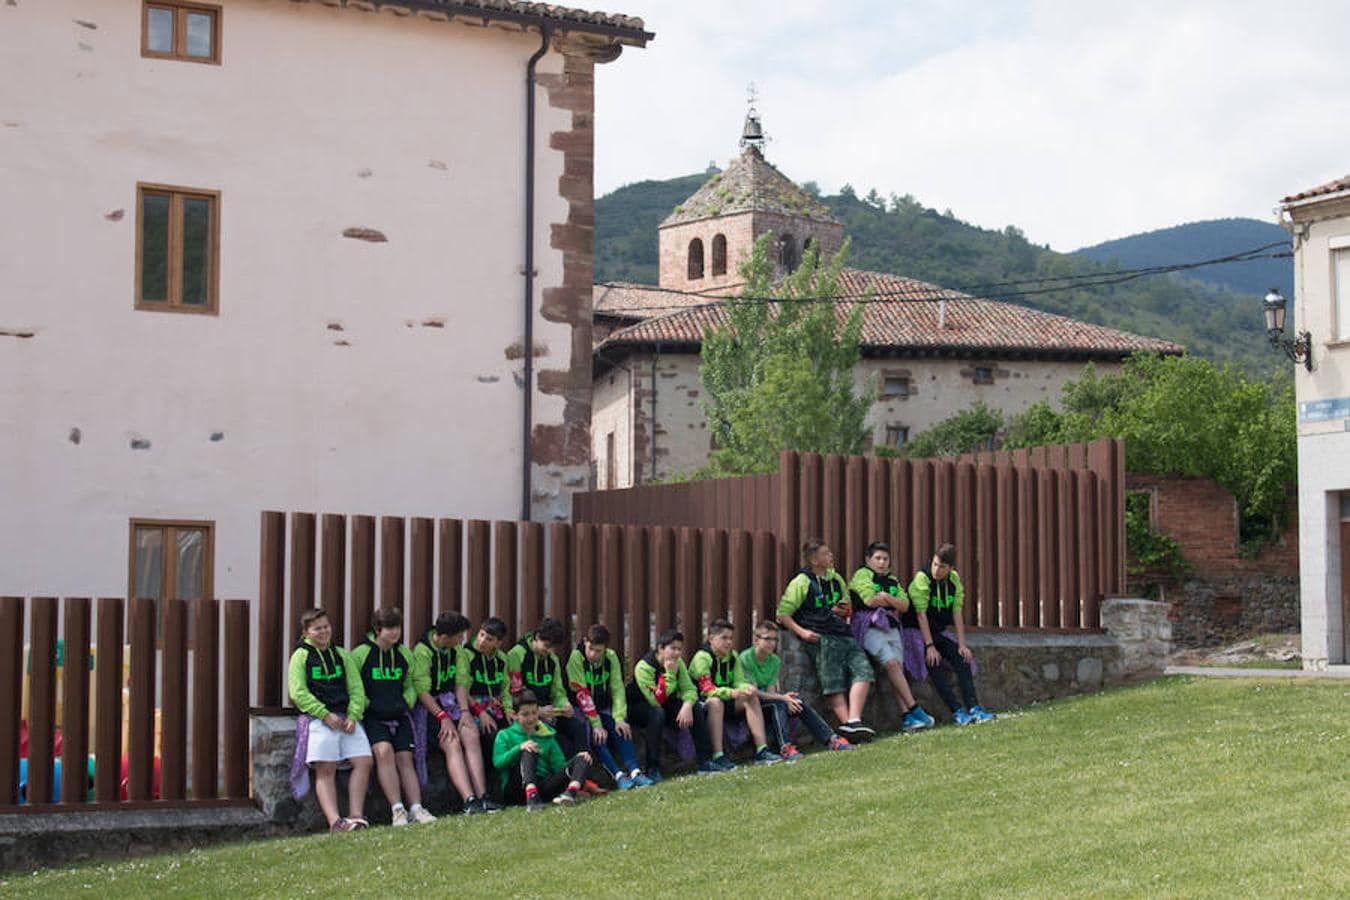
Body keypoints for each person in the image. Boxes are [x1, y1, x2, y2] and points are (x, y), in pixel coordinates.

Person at [777, 538, 876, 740]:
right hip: (820, 636)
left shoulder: (836, 579)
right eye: (825, 553)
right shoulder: (802, 582)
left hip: (843, 633)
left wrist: (842, 610)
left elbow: (847, 606)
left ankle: (854, 721)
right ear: (814, 559)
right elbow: (783, 613)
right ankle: (847, 722)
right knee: (832, 680)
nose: (831, 556)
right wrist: (802, 632)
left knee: (863, 670)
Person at [287, 608, 373, 833]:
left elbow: (356, 688)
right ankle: (336, 822)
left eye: (326, 626)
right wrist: (324, 714)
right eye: (318, 628)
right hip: (317, 720)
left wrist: (354, 715)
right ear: (306, 632)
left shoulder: (341, 655)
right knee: (326, 768)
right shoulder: (300, 656)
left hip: (347, 719)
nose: (324, 631)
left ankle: (356, 816)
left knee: (364, 761)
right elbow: (298, 692)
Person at [350, 607, 435, 825]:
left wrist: (406, 701)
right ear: (377, 629)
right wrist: (370, 705)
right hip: (373, 716)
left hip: (400, 715)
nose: (394, 632)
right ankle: (397, 810)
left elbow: (411, 684)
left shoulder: (405, 654)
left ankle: (417, 808)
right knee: (384, 752)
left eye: (397, 627)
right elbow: (354, 685)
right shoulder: (360, 654)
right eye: (389, 628)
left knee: (405, 758)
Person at [410, 610, 492, 815]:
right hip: (431, 709)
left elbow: (461, 682)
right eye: (459, 636)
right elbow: (422, 690)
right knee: (451, 741)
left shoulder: (458, 652)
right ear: (445, 637)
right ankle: (468, 799)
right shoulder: (422, 651)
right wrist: (442, 718)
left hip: (453, 704)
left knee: (470, 734)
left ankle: (483, 796)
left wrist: (465, 712)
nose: (462, 640)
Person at [849, 541, 936, 733]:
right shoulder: (862, 575)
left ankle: (907, 719)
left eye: (885, 559)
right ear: (868, 560)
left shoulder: (892, 580)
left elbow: (905, 605)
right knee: (891, 664)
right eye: (877, 558)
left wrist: (886, 598)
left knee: (897, 669)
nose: (881, 562)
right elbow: (869, 600)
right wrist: (891, 601)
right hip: (869, 626)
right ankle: (915, 709)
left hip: (892, 627)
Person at [908, 543, 995, 725]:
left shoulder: (954, 581)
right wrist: (930, 647)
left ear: (951, 568)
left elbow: (957, 612)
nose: (937, 570)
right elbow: (920, 615)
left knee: (962, 658)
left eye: (942, 567)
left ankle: (974, 708)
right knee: (934, 663)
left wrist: (962, 645)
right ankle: (957, 711)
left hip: (938, 631)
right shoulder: (922, 578)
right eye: (935, 564)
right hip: (916, 632)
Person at [739, 620, 853, 758]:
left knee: (797, 701)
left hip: (768, 701)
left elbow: (770, 692)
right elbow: (754, 693)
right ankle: (785, 747)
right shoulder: (746, 658)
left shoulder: (774, 660)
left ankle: (830, 739)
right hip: (749, 704)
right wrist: (783, 698)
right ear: (756, 640)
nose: (772, 643)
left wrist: (787, 699)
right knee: (780, 704)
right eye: (768, 639)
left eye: (775, 639)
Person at [566, 623, 654, 789]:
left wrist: (620, 717)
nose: (593, 654)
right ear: (585, 641)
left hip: (603, 707)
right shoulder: (576, 658)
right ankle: (618, 775)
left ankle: (635, 771)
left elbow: (617, 688)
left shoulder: (611, 657)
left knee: (620, 728)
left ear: (605, 648)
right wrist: (596, 724)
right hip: (581, 709)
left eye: (598, 651)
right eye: (590, 648)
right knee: (597, 735)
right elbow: (582, 693)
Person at [689, 619, 781, 768]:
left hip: (727, 698)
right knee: (715, 702)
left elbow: (739, 680)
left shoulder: (733, 656)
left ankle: (761, 750)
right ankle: (718, 755)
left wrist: (746, 687)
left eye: (731, 638)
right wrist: (732, 692)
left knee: (751, 697)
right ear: (711, 639)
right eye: (724, 638)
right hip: (702, 704)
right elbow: (707, 690)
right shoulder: (702, 658)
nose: (729, 642)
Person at [626, 628, 711, 780]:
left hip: (664, 704)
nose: (677, 653)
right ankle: (653, 767)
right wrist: (670, 674)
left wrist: (687, 705)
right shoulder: (644, 667)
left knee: (695, 707)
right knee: (657, 713)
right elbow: (655, 699)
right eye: (673, 648)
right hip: (640, 707)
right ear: (660, 648)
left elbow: (689, 689)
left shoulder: (679, 663)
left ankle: (705, 761)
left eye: (679, 649)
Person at [492, 690, 594, 810]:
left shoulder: (547, 735)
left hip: (543, 788)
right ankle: (531, 795)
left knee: (583, 757)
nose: (531, 718)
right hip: (516, 789)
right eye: (525, 714)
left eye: (534, 713)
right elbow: (498, 763)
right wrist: (519, 748)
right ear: (515, 715)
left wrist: (577, 764)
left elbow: (559, 766)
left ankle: (570, 793)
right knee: (529, 749)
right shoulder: (504, 735)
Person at [506, 617, 590, 758]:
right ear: (537, 637)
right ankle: (570, 774)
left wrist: (564, 704)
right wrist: (537, 711)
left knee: (578, 728)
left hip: (550, 712)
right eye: (546, 646)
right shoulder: (517, 654)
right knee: (561, 743)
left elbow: (558, 690)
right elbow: (515, 692)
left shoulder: (553, 659)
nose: (549, 651)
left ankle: (583, 770)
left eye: (553, 648)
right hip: (528, 714)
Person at [456, 616, 511, 810]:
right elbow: (462, 688)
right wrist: (480, 712)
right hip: (473, 707)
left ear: (498, 643)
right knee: (492, 738)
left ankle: (516, 788)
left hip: (495, 707)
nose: (481, 641)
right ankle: (487, 792)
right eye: (481, 635)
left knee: (513, 735)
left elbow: (505, 689)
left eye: (489, 639)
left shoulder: (502, 659)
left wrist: (510, 710)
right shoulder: (466, 655)